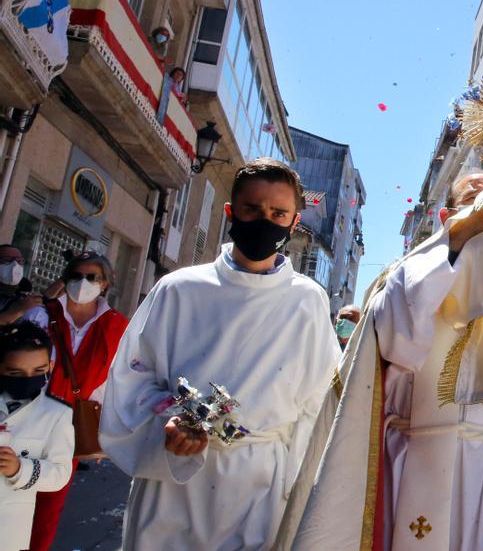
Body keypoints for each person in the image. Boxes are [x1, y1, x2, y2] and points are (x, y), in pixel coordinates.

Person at [277, 172, 483, 550]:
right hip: (414, 465)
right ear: (445, 219)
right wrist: (459, 243)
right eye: (471, 196)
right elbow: (398, 344)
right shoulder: (408, 275)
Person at [98, 158, 340, 549]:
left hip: (258, 485)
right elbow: (133, 374)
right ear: (231, 212)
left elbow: (317, 405)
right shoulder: (179, 289)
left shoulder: (307, 301)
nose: (265, 221)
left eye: (278, 213)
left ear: (294, 223)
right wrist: (169, 420)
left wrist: (301, 490)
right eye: (253, 209)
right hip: (176, 477)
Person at [26, 250, 128, 551]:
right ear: (65, 278)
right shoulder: (41, 315)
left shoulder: (116, 326)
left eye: (91, 277)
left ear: (105, 284)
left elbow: (117, 381)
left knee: (49, 505)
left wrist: (105, 431)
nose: (82, 282)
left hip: (70, 426)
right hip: (28, 416)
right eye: (75, 275)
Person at [0, 321, 74, 551]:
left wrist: (20, 469)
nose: (27, 378)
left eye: (39, 371)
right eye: (15, 373)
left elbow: (61, 473)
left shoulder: (56, 414)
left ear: (50, 366)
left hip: (8, 525)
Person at [0, 245, 45, 327]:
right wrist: (19, 310)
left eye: (19, 261)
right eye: (7, 260)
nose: (15, 265)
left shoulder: (22, 294)